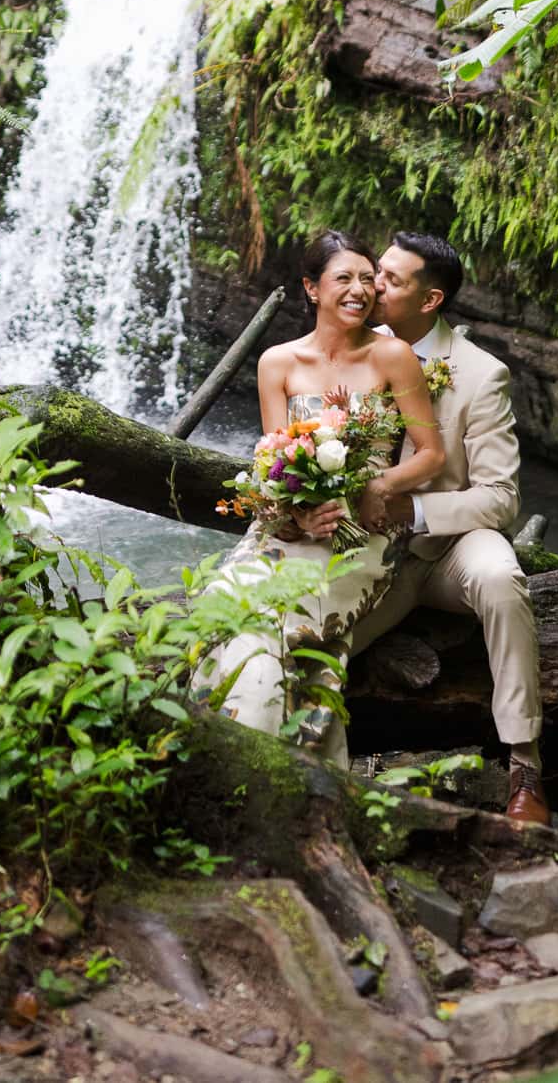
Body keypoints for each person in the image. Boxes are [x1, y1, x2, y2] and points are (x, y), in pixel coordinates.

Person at [200, 230, 444, 756]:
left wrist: (379, 484)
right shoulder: (278, 363)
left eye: (366, 279)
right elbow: (272, 463)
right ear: (312, 289)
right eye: (343, 279)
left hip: (361, 536)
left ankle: (247, 757)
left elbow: (430, 454)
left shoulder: (393, 356)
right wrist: (297, 516)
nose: (359, 290)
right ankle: (256, 759)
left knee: (280, 624)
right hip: (288, 528)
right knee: (227, 611)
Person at [351, 232, 550, 826]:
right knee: (312, 641)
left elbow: (500, 499)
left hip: (448, 545)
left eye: (389, 279)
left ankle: (525, 765)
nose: (371, 285)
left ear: (430, 299)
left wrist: (414, 514)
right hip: (361, 548)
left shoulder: (481, 375)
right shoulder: (349, 346)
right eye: (373, 272)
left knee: (501, 577)